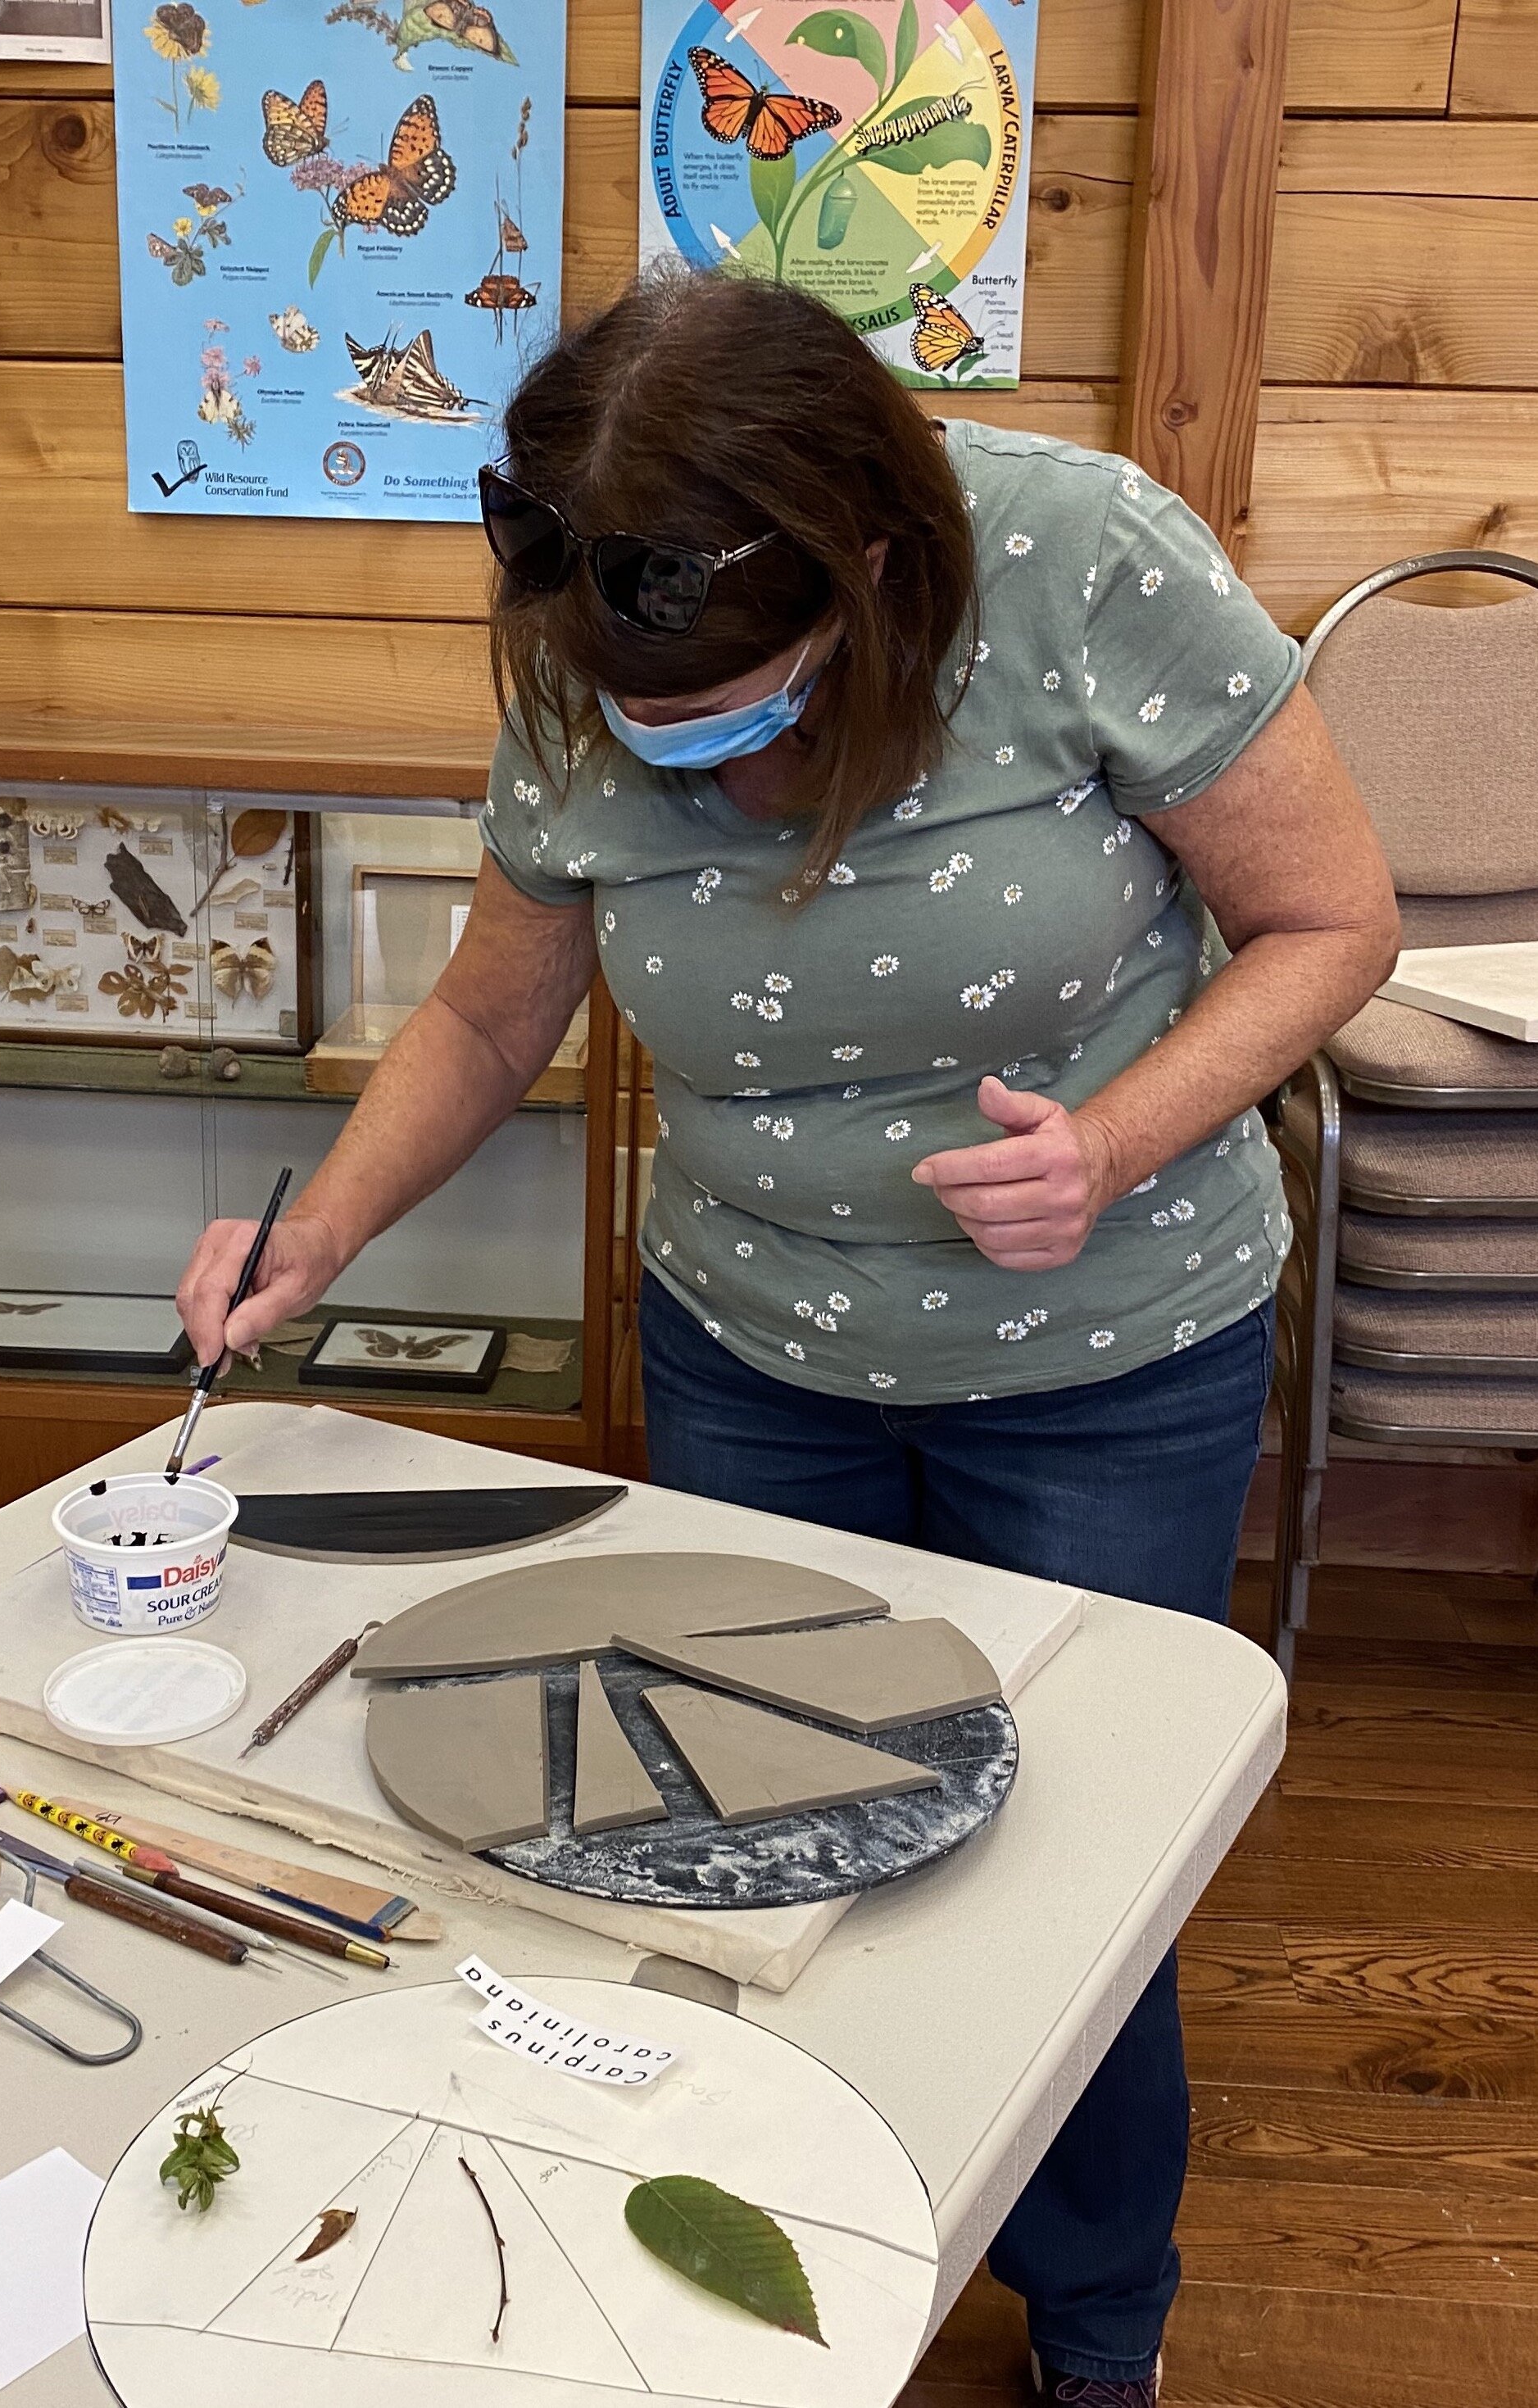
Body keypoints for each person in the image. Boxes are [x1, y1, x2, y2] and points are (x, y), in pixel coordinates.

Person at [178, 270, 1399, 2404]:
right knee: (746, 1840)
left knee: (1062, 1877)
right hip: (753, 1349)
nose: (705, 771)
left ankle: (1097, 2321)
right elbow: (487, 1009)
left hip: (1102, 1356)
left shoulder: (1084, 556)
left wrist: (1108, 1140)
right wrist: (321, 1232)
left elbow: (1330, 922)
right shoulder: (589, 627)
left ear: (876, 574)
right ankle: (812, 2251)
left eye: (741, 706)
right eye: (653, 722)